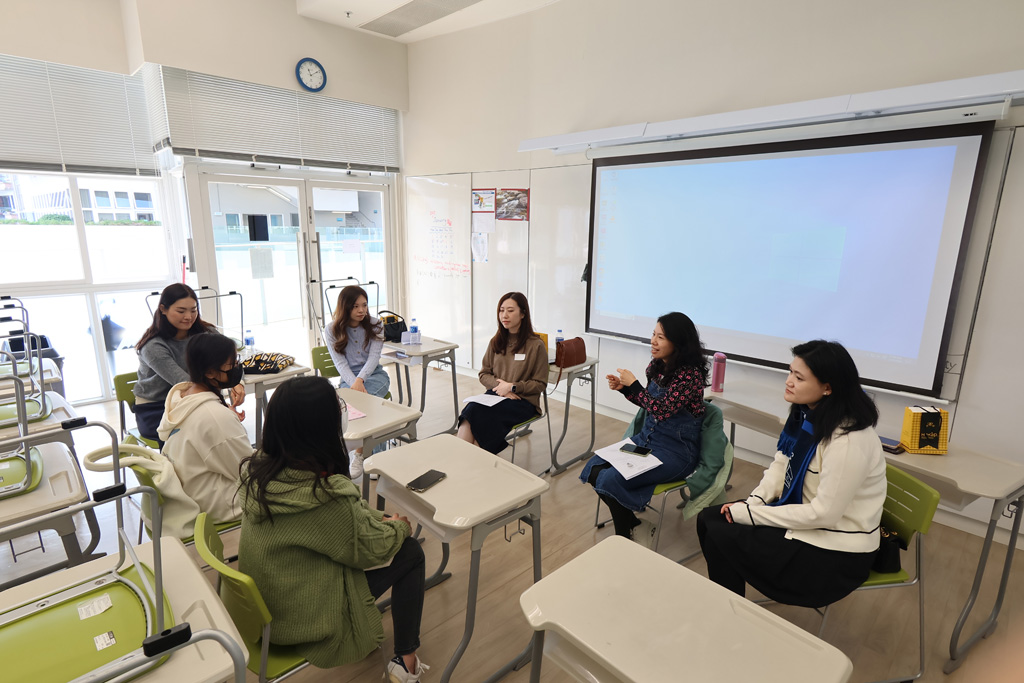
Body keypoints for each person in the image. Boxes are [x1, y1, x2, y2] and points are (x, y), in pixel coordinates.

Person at [238, 375, 428, 682]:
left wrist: (378, 521)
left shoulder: (260, 468)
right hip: (303, 618)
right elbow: (367, 550)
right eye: (337, 406)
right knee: (411, 552)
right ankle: (406, 660)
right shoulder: (324, 496)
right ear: (322, 427)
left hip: (262, 607)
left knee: (385, 528)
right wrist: (399, 528)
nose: (342, 410)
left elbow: (342, 521)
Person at [696, 339, 886, 608]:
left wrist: (751, 515)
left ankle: (729, 613)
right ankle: (728, 605)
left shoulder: (848, 441)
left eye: (799, 377)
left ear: (828, 388)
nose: (789, 382)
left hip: (836, 551)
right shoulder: (807, 414)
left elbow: (824, 514)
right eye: (790, 372)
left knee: (721, 535)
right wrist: (755, 502)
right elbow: (782, 463)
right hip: (806, 523)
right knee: (708, 519)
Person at [581, 312, 709, 547]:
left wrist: (635, 385)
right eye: (653, 334)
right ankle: (635, 526)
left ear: (678, 342)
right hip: (647, 440)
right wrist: (625, 389)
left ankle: (624, 540)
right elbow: (648, 404)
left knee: (611, 478)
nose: (653, 341)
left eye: (661, 337)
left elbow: (662, 410)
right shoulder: (657, 366)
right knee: (594, 469)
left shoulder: (690, 375)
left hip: (676, 452)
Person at [133, 283, 243, 446]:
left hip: (197, 398)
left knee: (216, 426)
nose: (188, 317)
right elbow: (185, 383)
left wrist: (237, 382)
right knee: (205, 428)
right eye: (181, 311)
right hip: (158, 407)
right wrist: (223, 408)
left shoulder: (207, 333)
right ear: (163, 309)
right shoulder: (153, 346)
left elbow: (230, 360)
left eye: (193, 310)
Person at [157, 333, 250, 523]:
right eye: (232, 364)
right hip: (219, 505)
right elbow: (247, 472)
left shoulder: (183, 399)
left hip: (190, 493)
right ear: (210, 372)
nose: (236, 368)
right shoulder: (215, 416)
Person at [456, 292, 547, 454]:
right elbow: (484, 374)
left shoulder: (536, 345)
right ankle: (465, 459)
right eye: (501, 310)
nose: (504, 315)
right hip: (496, 395)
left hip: (522, 402)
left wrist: (512, 387)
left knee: (480, 416)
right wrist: (502, 389)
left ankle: (464, 460)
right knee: (470, 410)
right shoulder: (496, 341)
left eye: (510, 311)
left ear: (523, 314)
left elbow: (540, 384)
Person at [323, 285, 391, 478]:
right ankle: (372, 457)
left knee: (368, 402)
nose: (362, 310)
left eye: (364, 305)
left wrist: (361, 380)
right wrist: (354, 383)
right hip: (348, 380)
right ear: (345, 307)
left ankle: (362, 453)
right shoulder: (331, 329)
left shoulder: (376, 324)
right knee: (366, 406)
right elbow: (340, 363)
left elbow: (374, 358)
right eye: (355, 306)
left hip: (375, 376)